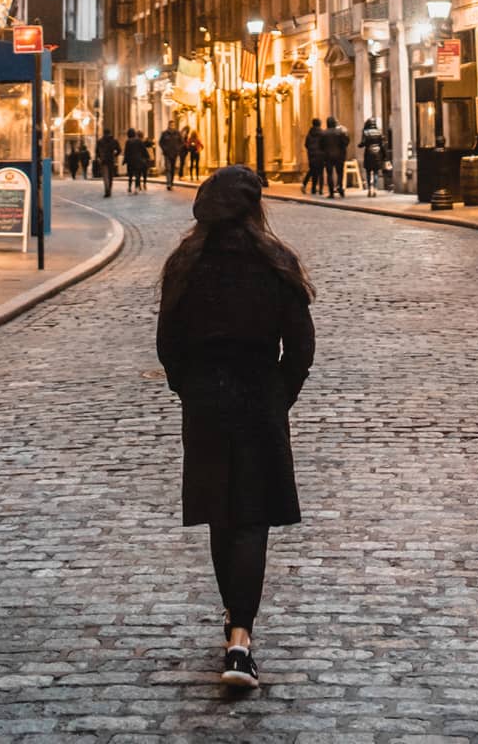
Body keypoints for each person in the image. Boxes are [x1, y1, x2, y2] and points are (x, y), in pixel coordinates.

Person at [156, 166, 315, 691]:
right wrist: (279, 393)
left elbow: (168, 344)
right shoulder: (276, 262)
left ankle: (234, 622)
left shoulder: (185, 263)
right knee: (251, 518)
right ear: (252, 210)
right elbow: (301, 346)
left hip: (205, 398)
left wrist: (190, 388)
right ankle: (241, 637)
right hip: (257, 396)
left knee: (222, 515)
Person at [319, 116, 349, 198]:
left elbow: (320, 146)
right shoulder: (340, 132)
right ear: (335, 123)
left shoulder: (323, 133)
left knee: (329, 174)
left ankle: (331, 192)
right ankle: (339, 186)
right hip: (339, 156)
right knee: (340, 173)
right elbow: (346, 142)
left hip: (328, 156)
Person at [359, 118, 387, 197]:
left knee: (368, 172)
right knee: (375, 172)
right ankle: (374, 188)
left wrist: (360, 145)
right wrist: (384, 156)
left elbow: (362, 143)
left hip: (368, 154)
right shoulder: (379, 132)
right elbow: (382, 145)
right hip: (377, 154)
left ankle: (369, 189)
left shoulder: (366, 132)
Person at [96, 128, 121, 197]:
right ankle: (109, 189)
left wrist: (99, 157)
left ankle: (107, 189)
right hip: (111, 160)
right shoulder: (114, 141)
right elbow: (119, 150)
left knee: (105, 176)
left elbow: (97, 151)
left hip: (103, 160)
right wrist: (115, 155)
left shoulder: (100, 141)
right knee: (110, 176)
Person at [124, 128, 151, 193]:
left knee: (130, 175)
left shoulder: (128, 141)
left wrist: (125, 160)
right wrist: (147, 156)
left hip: (130, 161)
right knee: (137, 175)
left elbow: (126, 152)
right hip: (138, 160)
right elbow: (143, 150)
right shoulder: (139, 141)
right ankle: (136, 188)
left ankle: (129, 187)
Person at [302, 118, 324, 196]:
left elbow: (306, 145)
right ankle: (321, 189)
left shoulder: (309, 134)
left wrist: (311, 150)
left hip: (311, 155)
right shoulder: (322, 133)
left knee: (312, 171)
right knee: (320, 172)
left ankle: (307, 185)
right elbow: (324, 144)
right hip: (321, 155)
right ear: (319, 124)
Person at [159, 122, 183, 188]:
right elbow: (160, 142)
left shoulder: (177, 133)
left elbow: (181, 142)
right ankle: (168, 183)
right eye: (171, 125)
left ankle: (171, 182)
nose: (172, 126)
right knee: (168, 169)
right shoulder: (164, 133)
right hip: (167, 154)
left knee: (172, 169)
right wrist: (165, 149)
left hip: (174, 154)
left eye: (173, 125)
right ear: (168, 125)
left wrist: (178, 149)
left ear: (174, 125)